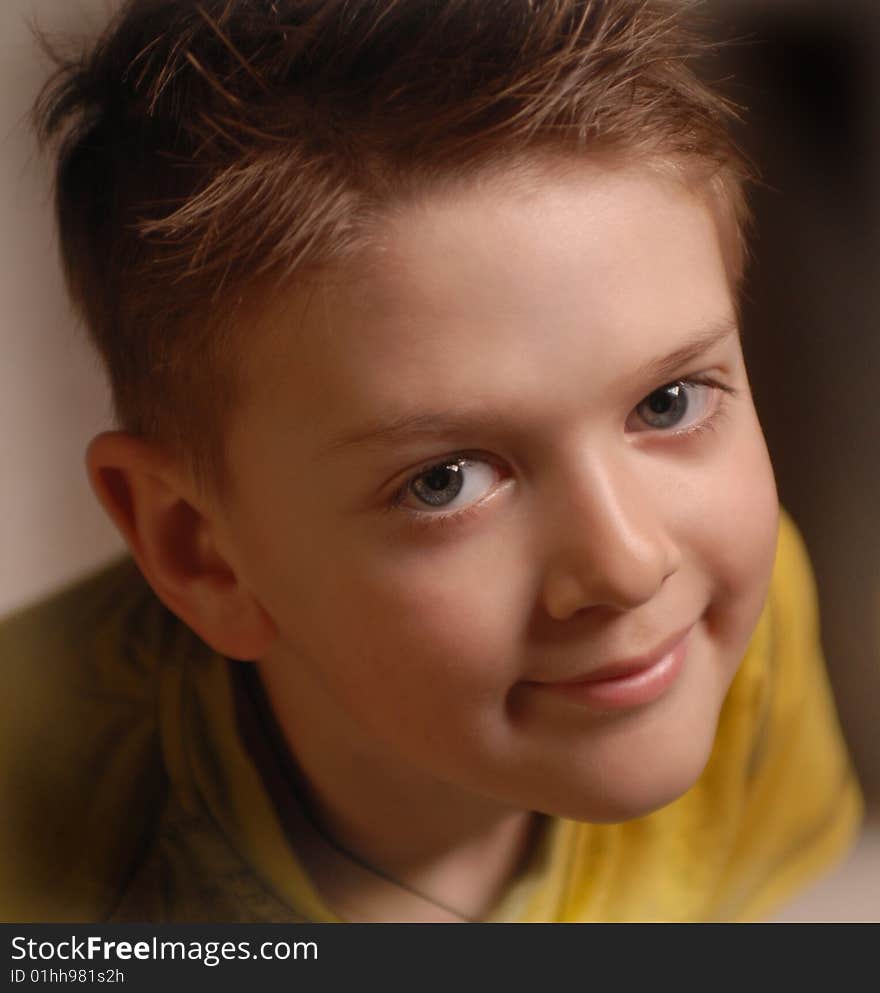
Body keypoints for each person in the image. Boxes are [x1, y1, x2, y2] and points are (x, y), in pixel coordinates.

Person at [0, 0, 862, 923]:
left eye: (669, 401)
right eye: (443, 479)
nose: (629, 563)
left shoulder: (733, 644)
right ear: (200, 548)